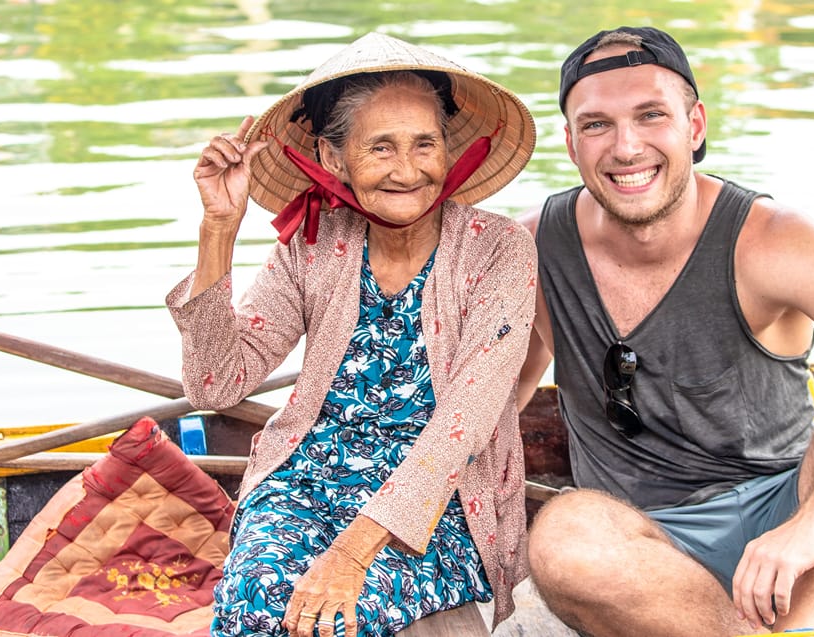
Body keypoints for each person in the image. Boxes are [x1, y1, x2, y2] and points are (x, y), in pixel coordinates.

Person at [516, 26, 814, 636]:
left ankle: (805, 629)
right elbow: (490, 400)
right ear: (571, 143)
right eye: (597, 124)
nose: (626, 147)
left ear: (695, 126)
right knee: (564, 533)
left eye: (651, 115)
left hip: (800, 541)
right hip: (642, 554)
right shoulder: (533, 249)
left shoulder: (768, 239)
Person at [166, 32, 538, 637]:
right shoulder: (313, 245)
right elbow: (214, 384)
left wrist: (349, 555)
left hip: (436, 501)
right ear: (334, 158)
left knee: (335, 620)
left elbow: (463, 425)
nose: (408, 170)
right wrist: (218, 230)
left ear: (449, 150)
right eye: (381, 147)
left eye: (425, 144)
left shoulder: (498, 249)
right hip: (303, 482)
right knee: (256, 604)